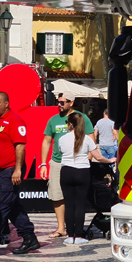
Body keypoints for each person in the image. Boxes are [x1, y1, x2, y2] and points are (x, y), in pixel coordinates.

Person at [0, 92, 40, 255]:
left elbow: (20, 147)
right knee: (13, 207)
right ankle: (30, 238)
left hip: (10, 170)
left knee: (1, 206)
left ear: (6, 104)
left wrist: (17, 169)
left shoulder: (14, 121)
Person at [41, 94, 96, 239]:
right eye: (57, 102)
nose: (58, 105)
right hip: (58, 162)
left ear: (71, 102)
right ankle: (61, 228)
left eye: (62, 102)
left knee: (76, 199)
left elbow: (91, 139)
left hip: (78, 163)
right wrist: (43, 163)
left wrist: (87, 160)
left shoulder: (82, 118)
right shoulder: (53, 120)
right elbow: (46, 141)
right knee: (57, 196)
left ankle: (76, 229)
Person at [58, 112, 101, 244]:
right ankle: (79, 236)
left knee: (69, 204)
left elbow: (61, 152)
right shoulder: (87, 139)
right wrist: (111, 159)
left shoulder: (62, 139)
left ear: (70, 124)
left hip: (66, 171)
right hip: (82, 172)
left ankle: (70, 235)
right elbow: (98, 156)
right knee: (80, 205)